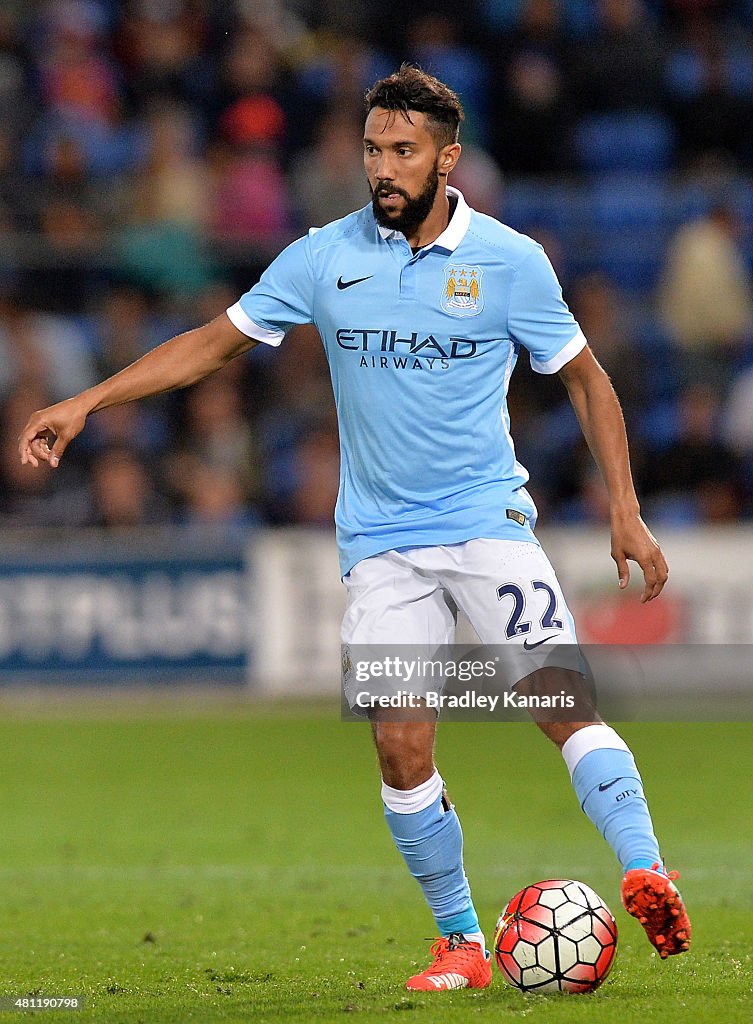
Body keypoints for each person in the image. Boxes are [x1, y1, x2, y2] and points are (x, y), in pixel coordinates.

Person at [19, 65, 690, 991]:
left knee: (555, 700)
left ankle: (647, 869)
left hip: (488, 524)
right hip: (380, 546)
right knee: (399, 744)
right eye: (373, 148)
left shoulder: (509, 261)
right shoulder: (321, 256)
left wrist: (623, 506)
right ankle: (460, 942)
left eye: (402, 151)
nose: (382, 167)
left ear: (446, 159)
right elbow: (210, 344)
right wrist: (88, 399)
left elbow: (584, 377)